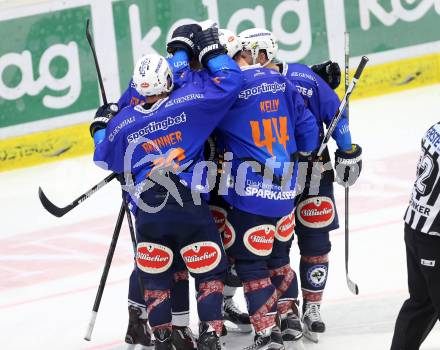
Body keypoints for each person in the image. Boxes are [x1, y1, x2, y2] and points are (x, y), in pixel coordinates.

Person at [91, 25, 243, 350]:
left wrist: (101, 126)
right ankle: (210, 334)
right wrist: (212, 53)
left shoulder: (125, 121)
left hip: (148, 211)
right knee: (208, 269)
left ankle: (161, 337)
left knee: (157, 271)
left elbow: (104, 159)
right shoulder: (187, 103)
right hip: (189, 206)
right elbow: (230, 82)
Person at [237, 28, 363, 343]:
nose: (237, 61)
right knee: (275, 245)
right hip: (273, 178)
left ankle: (313, 308)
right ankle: (286, 308)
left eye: (242, 54)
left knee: (316, 239)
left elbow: (336, 114)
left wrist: (347, 151)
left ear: (260, 54)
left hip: (313, 172)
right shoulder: (241, 86)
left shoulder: (303, 78)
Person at [213, 28, 320, 349]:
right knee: (279, 256)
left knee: (249, 262)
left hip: (250, 196)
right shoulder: (281, 80)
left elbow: (197, 130)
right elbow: (308, 130)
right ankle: (289, 316)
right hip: (286, 190)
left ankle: (266, 332)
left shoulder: (226, 90)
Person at [390, 122, 440, 350]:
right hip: (433, 238)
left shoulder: (435, 128)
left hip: (415, 228)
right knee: (421, 304)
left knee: (421, 304)